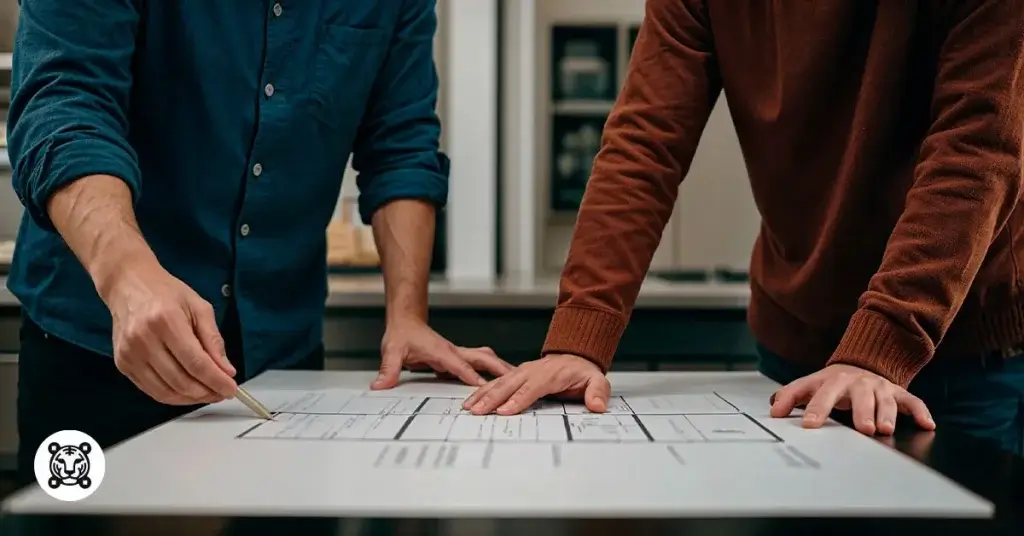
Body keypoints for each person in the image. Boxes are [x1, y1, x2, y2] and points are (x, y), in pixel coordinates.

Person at [465, 0, 1024, 455]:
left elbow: (976, 150)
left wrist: (881, 345)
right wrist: (578, 341)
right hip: (796, 341)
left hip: (956, 349)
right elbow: (643, 145)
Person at [8, 0, 511, 488]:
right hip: (97, 345)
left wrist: (408, 316)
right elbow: (65, 106)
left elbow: (400, 145)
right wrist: (128, 277)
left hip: (279, 358)